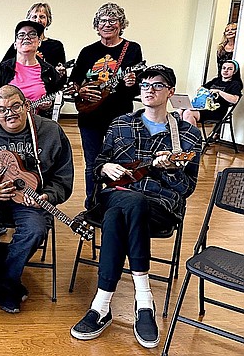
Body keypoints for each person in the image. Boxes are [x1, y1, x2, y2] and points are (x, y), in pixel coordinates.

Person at [70, 65, 201, 349]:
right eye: (144, 85)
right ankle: (145, 301)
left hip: (159, 207)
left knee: (126, 209)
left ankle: (101, 306)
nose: (149, 90)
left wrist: (167, 169)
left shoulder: (188, 136)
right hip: (116, 194)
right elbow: (97, 166)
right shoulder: (120, 124)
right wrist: (107, 166)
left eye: (156, 85)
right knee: (128, 201)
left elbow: (187, 187)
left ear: (170, 92)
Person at [0, 85, 73, 313]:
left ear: (27, 106)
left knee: (35, 230)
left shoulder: (51, 132)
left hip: (32, 199)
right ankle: (3, 270)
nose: (9, 113)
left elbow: (64, 179)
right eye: (2, 109)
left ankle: (5, 283)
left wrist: (48, 196)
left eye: (15, 106)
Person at [69, 2, 143, 208]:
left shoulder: (132, 49)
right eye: (103, 20)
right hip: (90, 115)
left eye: (113, 20)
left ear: (121, 24)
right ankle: (92, 203)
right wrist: (81, 90)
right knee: (92, 162)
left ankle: (114, 201)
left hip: (120, 117)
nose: (107, 24)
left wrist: (132, 82)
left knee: (119, 161)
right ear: (96, 24)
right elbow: (74, 81)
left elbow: (137, 86)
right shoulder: (87, 51)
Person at [0, 20, 62, 118]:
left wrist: (50, 105)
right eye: (21, 35)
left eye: (32, 34)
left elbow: (59, 97)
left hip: (38, 125)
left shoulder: (49, 70)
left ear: (39, 42)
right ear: (15, 44)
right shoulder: (3, 69)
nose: (27, 37)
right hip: (7, 125)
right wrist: (4, 110)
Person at [2, 2, 67, 77]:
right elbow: (3, 69)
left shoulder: (56, 46)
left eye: (42, 17)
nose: (37, 20)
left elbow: (62, 79)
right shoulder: (20, 44)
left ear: (48, 20)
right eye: (34, 17)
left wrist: (59, 74)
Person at [179, 59, 242, 126]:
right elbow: (201, 88)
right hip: (204, 107)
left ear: (234, 71)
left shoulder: (235, 84)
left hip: (217, 111)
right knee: (179, 111)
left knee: (188, 113)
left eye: (229, 69)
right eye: (224, 68)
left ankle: (193, 135)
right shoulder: (216, 80)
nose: (225, 70)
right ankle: (179, 135)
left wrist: (219, 92)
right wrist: (205, 91)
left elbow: (234, 100)